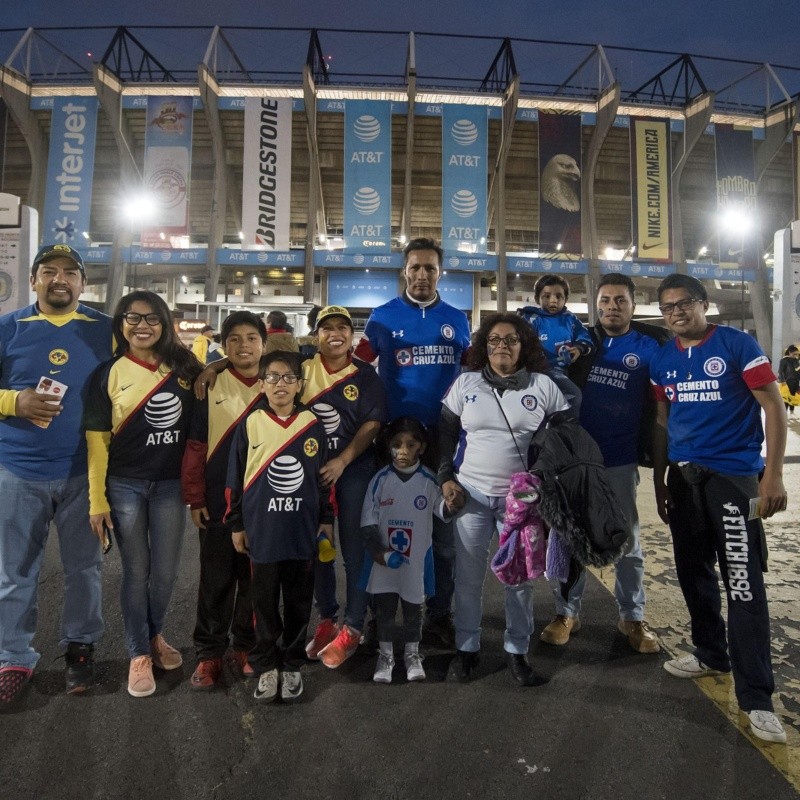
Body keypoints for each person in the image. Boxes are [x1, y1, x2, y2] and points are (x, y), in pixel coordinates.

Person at [650, 274, 788, 744]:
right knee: (693, 572)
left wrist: (773, 474)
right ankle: (710, 653)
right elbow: (664, 421)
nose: (676, 313)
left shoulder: (736, 343)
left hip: (733, 479)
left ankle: (757, 697)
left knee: (744, 582)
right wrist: (660, 479)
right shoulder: (663, 358)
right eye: (667, 307)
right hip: (685, 482)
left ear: (703, 304)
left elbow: (773, 406)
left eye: (684, 303)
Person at [0, 244, 113, 705]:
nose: (59, 279)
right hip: (17, 471)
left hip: (83, 476)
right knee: (14, 574)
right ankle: (13, 657)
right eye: (49, 271)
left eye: (70, 272)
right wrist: (14, 402)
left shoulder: (105, 330)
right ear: (34, 281)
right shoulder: (8, 328)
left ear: (84, 283)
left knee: (85, 569)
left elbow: (153, 365)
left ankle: (80, 648)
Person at [438, 312, 570, 686]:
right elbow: (445, 432)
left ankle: (517, 651)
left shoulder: (543, 387)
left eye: (510, 340)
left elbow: (565, 435)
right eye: (494, 340)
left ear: (523, 345)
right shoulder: (466, 384)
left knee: (519, 580)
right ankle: (467, 648)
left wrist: (542, 475)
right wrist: (446, 477)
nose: (502, 347)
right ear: (484, 346)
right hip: (472, 495)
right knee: (467, 578)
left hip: (521, 501)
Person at [540, 274, 669, 653]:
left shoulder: (650, 346)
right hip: (574, 461)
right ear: (595, 305)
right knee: (569, 537)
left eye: (620, 300)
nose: (612, 307)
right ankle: (566, 612)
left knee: (626, 540)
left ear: (633, 304)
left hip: (619, 459)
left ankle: (632, 616)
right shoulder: (581, 342)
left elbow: (661, 408)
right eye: (606, 300)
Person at [354, 237, 471, 648]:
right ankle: (378, 613)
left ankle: (440, 615)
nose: (422, 275)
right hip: (392, 438)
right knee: (385, 528)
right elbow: (352, 366)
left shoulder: (457, 319)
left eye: (430, 268)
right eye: (415, 268)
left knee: (442, 533)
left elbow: (475, 369)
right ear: (404, 271)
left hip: (442, 440)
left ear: (441, 273)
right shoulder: (382, 318)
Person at [84, 290, 201, 698]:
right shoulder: (106, 373)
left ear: (165, 324)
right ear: (121, 325)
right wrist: (96, 501)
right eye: (133, 318)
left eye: (152, 318)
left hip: (170, 486)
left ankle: (154, 635)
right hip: (125, 485)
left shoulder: (185, 367)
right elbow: (97, 442)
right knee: (136, 571)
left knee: (166, 571)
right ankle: (138, 651)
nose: (143, 326)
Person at [225, 351, 333, 703]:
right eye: (272, 377)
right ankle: (265, 664)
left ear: (300, 384)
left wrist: (326, 521)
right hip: (263, 532)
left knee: (300, 602)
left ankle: (291, 663)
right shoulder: (251, 422)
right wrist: (237, 523)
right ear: (262, 383)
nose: (281, 384)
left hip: (301, 532)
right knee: (264, 604)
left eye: (289, 377)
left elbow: (323, 481)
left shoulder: (312, 424)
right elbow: (235, 478)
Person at [182, 311, 267, 690]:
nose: (244, 345)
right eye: (234, 339)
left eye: (252, 338)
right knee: (215, 579)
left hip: (264, 503)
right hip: (217, 502)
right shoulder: (209, 385)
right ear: (223, 344)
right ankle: (209, 653)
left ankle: (246, 645)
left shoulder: (280, 382)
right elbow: (196, 444)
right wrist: (195, 497)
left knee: (254, 579)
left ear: (264, 344)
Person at [298, 306, 387, 668]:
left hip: (352, 470)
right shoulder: (301, 369)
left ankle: (353, 626)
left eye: (343, 328)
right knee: (318, 550)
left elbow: (372, 425)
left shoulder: (365, 376)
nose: (335, 333)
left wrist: (342, 461)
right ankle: (327, 618)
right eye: (327, 328)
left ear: (352, 336)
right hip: (309, 473)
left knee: (353, 551)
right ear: (316, 335)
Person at [360, 417, 453, 684]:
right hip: (385, 561)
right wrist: (380, 552)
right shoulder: (379, 480)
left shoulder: (428, 480)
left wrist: (455, 502)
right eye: (396, 445)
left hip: (416, 562)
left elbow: (443, 511)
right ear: (387, 447)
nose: (402, 451)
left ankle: (413, 653)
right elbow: (368, 522)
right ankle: (386, 655)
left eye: (410, 445)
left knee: (414, 610)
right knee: (386, 609)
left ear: (421, 448)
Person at [518, 274, 594, 412]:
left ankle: (562, 429)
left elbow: (584, 336)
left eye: (559, 296)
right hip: (540, 372)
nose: (553, 301)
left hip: (565, 371)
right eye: (547, 296)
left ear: (565, 299)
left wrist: (578, 348)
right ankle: (567, 427)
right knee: (574, 396)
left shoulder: (570, 319)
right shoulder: (531, 319)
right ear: (537, 298)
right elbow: (523, 345)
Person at [777, 344, 799, 419]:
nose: (796, 355)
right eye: (794, 354)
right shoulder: (784, 360)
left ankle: (792, 413)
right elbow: (780, 371)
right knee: (786, 398)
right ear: (789, 352)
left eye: (797, 354)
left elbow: (798, 371)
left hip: (795, 381)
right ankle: (784, 414)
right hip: (786, 382)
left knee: (793, 397)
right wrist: (783, 381)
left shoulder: (796, 360)